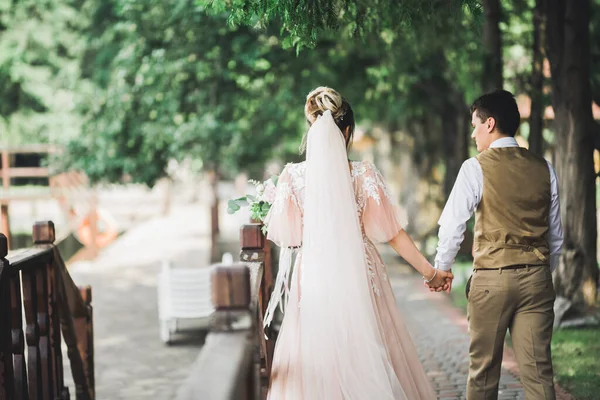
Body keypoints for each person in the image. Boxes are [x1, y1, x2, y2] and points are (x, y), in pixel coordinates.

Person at [263, 86, 450, 399]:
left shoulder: (292, 177)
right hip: (361, 273)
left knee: (317, 351)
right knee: (371, 346)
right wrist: (430, 272)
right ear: (347, 132)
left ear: (313, 130)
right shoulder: (364, 174)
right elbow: (393, 234)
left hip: (314, 277)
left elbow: (290, 236)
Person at [432, 89, 564, 400]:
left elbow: (453, 225)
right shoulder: (544, 168)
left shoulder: (475, 167)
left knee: (483, 373)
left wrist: (441, 268)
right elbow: (555, 235)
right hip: (537, 279)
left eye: (475, 125)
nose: (473, 133)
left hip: (492, 280)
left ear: (490, 123)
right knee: (539, 372)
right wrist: (542, 272)